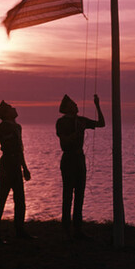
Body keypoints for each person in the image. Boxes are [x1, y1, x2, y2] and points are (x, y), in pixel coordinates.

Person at [55, 93, 105, 239]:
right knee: (68, 194)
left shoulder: (81, 120)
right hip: (68, 159)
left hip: (79, 159)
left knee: (80, 194)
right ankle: (66, 228)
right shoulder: (61, 122)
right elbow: (63, 140)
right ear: (67, 108)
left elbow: (101, 123)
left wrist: (97, 105)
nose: (76, 105)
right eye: (73, 104)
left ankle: (78, 228)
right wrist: (76, 133)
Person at [0, 100, 33, 243]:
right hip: (7, 164)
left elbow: (20, 149)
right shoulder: (1, 127)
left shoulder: (18, 127)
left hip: (16, 165)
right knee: (1, 199)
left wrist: (25, 168)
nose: (14, 109)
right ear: (7, 114)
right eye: (10, 108)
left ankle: (19, 230)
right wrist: (1, 168)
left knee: (20, 199)